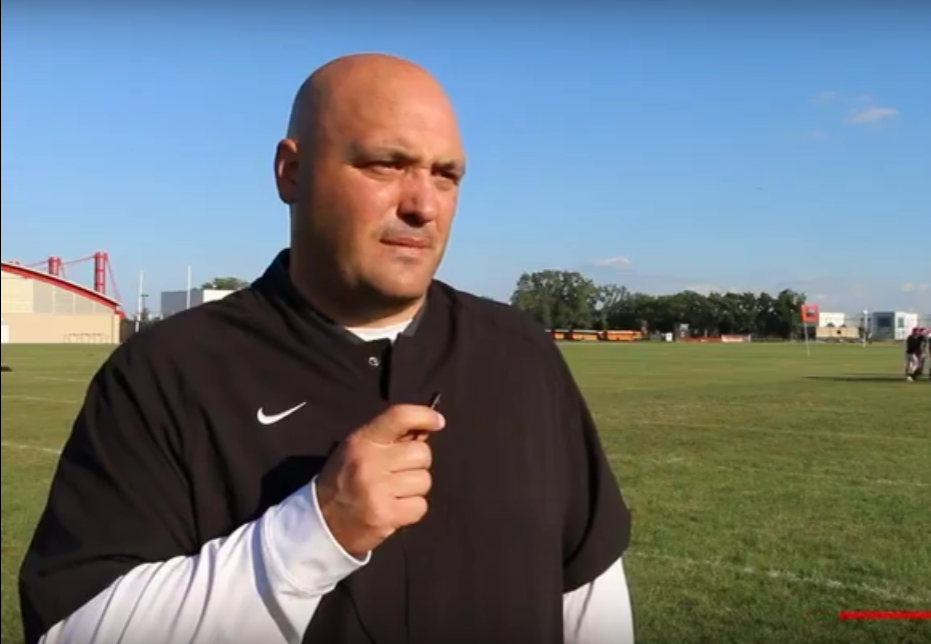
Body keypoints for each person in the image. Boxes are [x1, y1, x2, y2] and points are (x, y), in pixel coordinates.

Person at [18, 54, 633, 644]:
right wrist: (313, 531)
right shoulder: (168, 371)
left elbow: (586, 591)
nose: (422, 205)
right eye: (384, 165)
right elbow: (71, 630)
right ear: (291, 171)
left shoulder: (521, 355)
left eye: (445, 175)